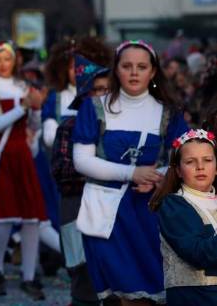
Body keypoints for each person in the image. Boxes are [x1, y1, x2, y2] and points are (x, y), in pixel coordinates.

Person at [73, 40, 187, 305]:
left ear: (153, 72)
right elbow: (81, 161)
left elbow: (180, 160)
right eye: (127, 66)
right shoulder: (94, 108)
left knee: (149, 296)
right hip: (104, 214)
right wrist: (132, 173)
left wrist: (157, 177)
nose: (134, 72)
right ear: (116, 70)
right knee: (119, 296)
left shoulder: (169, 114)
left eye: (141, 66)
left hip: (149, 214)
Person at [0, 42, 47, 300]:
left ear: (15, 61)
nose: (4, 63)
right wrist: (23, 106)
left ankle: (28, 275)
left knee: (31, 218)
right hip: (0, 156)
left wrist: (35, 109)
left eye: (8, 58)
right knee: (3, 217)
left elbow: (32, 125)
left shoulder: (23, 86)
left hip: (21, 156)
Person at [46, 45, 112, 306]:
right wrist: (100, 171)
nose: (101, 95)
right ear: (84, 95)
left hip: (111, 209)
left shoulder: (122, 126)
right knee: (82, 275)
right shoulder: (69, 127)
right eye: (95, 90)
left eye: (106, 89)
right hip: (76, 208)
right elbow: (62, 172)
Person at [151, 128, 217, 305]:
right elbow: (198, 254)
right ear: (178, 171)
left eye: (208, 160)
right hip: (195, 297)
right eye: (190, 161)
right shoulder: (175, 205)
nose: (200, 166)